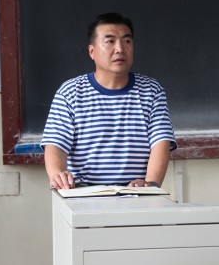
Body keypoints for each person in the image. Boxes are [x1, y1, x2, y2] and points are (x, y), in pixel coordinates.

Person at [41, 12, 177, 190]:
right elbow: (55, 144)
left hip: (135, 193)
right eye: (110, 41)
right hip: (83, 193)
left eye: (126, 41)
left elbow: (161, 143)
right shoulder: (70, 92)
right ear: (92, 51)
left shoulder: (151, 90)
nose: (120, 49)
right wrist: (58, 174)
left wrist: (150, 184)